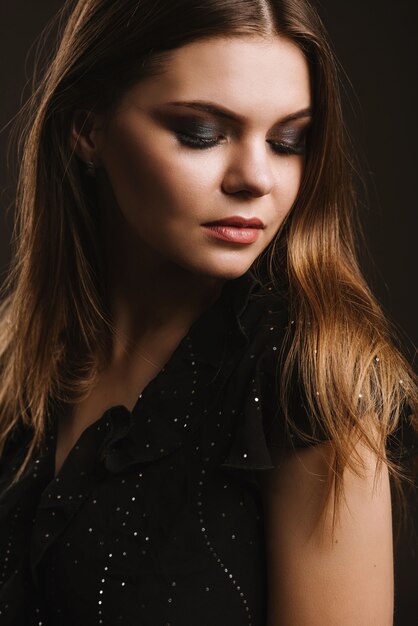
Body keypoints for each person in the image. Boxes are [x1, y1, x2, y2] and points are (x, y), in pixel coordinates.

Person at [0, 0, 416, 624]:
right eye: (202, 133)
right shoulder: (17, 361)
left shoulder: (313, 379)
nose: (256, 178)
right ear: (88, 126)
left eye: (288, 141)